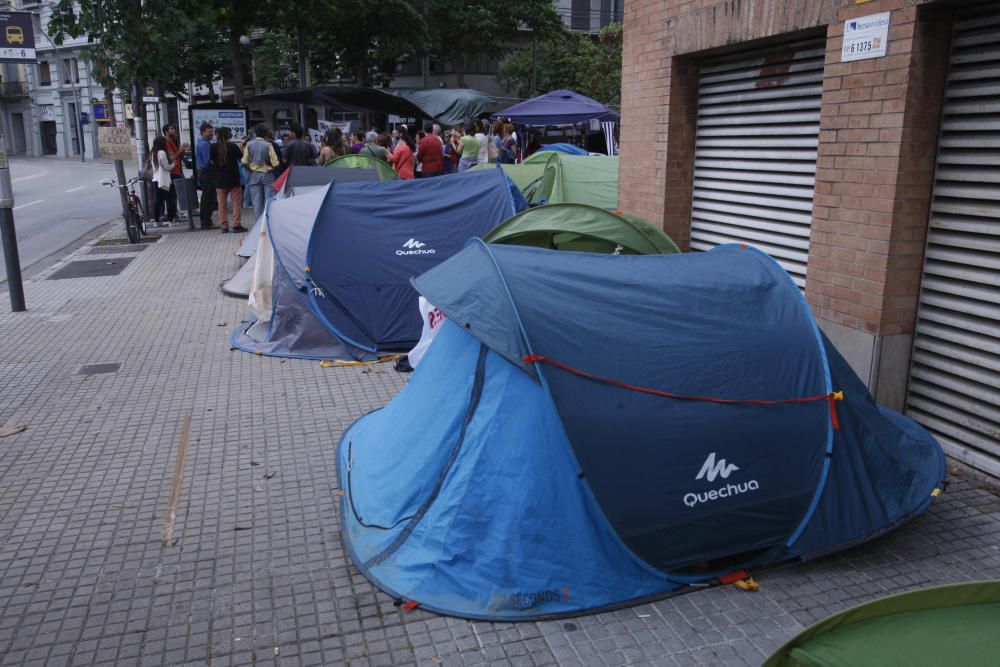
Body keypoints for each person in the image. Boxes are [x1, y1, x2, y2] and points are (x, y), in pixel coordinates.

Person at [241, 123, 280, 223]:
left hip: (254, 174)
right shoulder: (268, 145)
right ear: (266, 134)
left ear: (255, 133)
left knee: (256, 202)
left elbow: (244, 161)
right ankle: (268, 223)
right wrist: (270, 167)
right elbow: (275, 163)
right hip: (268, 174)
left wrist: (250, 167)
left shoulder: (249, 144)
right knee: (269, 201)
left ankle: (258, 226)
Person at [211, 127, 245, 233]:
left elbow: (211, 162)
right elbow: (242, 158)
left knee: (221, 204)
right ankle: (236, 224)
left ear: (216, 135)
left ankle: (224, 226)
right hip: (233, 178)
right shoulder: (232, 146)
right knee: (236, 203)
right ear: (228, 135)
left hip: (219, 179)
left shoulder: (213, 147)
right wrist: (242, 147)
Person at [161, 124, 189, 223]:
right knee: (171, 195)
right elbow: (172, 157)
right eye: (172, 128)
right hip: (171, 172)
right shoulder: (166, 142)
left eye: (174, 128)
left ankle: (174, 214)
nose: (174, 130)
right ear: (166, 131)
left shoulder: (173, 141)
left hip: (177, 170)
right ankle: (171, 216)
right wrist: (180, 150)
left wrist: (182, 151)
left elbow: (177, 157)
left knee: (175, 194)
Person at [194, 122, 216, 229]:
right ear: (203, 132)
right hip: (207, 172)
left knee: (206, 197)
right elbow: (208, 161)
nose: (212, 134)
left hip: (203, 172)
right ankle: (206, 221)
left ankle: (205, 221)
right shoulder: (205, 144)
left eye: (212, 131)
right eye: (209, 131)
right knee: (208, 197)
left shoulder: (201, 143)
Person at [150, 136, 174, 226]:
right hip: (164, 179)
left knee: (157, 200)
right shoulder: (162, 153)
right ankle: (170, 220)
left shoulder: (153, 153)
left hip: (156, 179)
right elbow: (166, 167)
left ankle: (156, 220)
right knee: (169, 200)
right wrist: (173, 164)